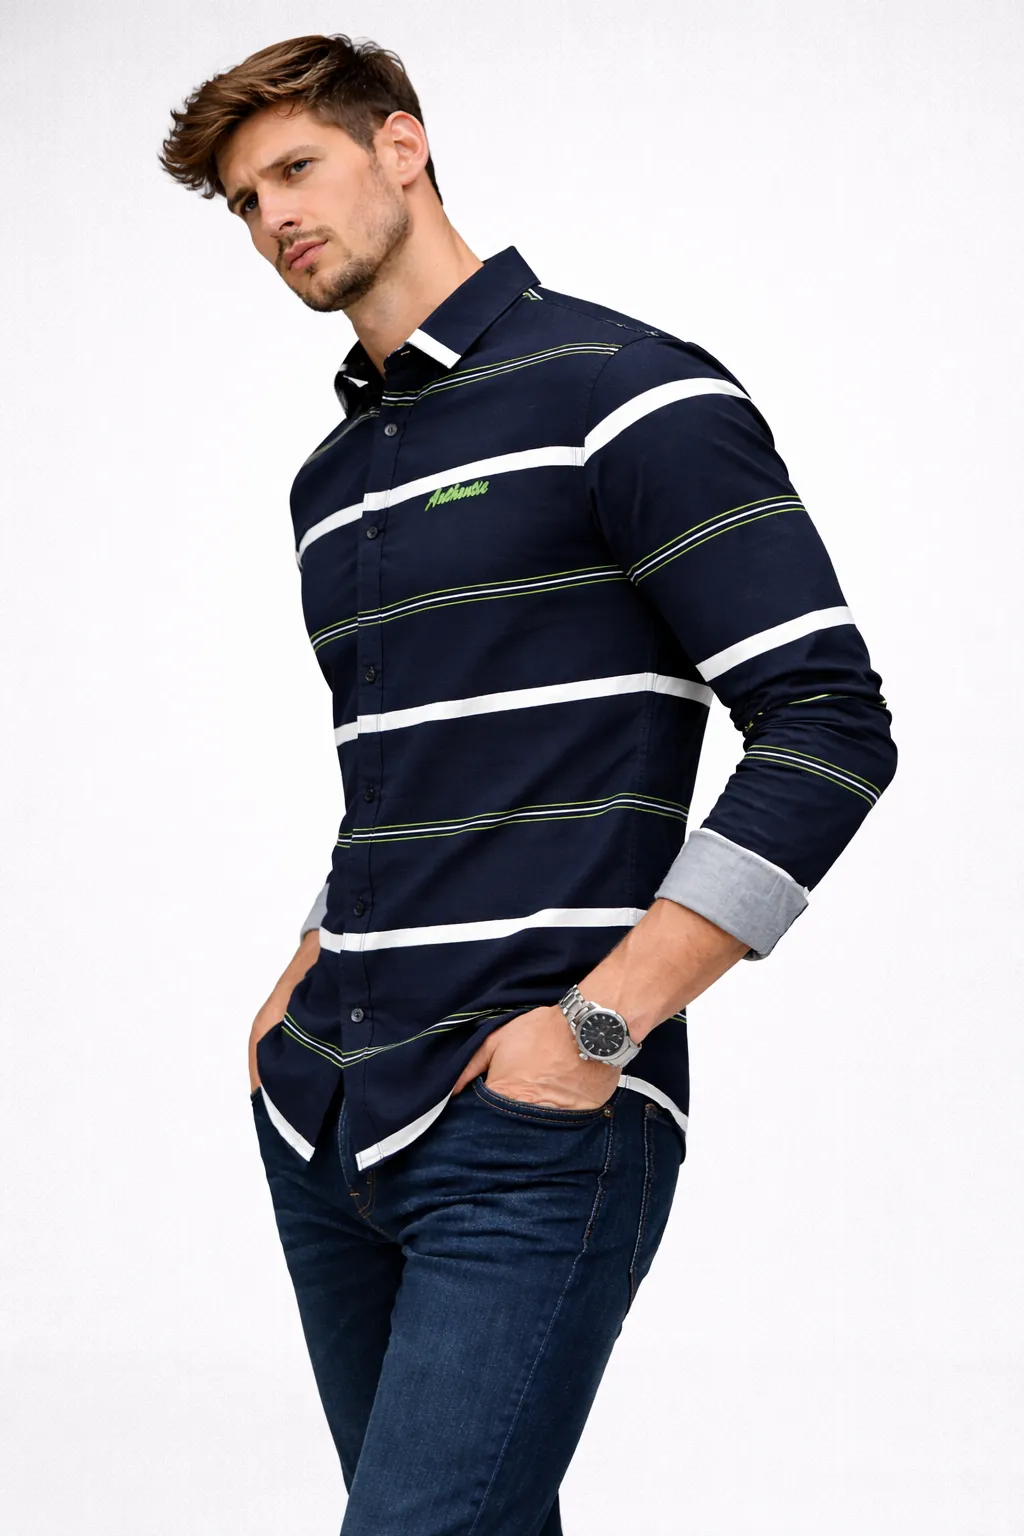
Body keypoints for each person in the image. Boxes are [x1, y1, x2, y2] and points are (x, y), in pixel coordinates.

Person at [159, 31, 897, 1535]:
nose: (275, 216)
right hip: (325, 1112)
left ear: (403, 145)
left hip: (528, 1125)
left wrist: (602, 1026)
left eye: (296, 166)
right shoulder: (330, 485)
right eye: (244, 201)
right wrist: (300, 977)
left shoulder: (631, 393)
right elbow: (408, 768)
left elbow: (829, 722)